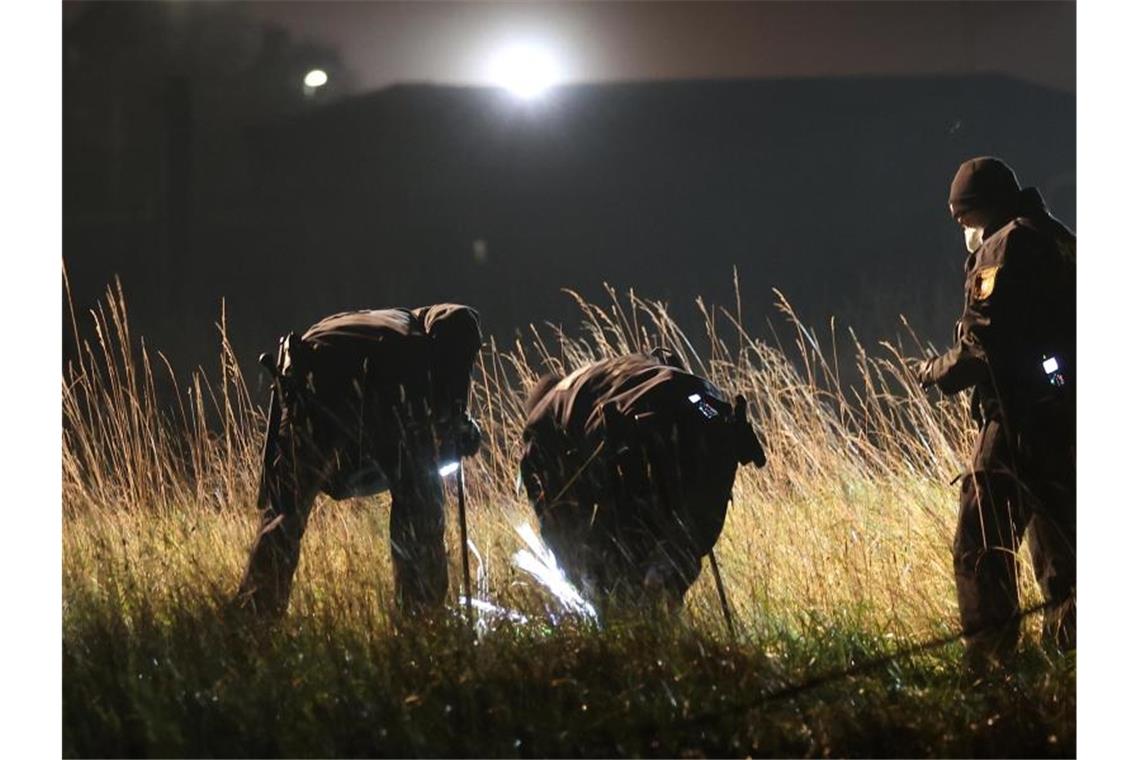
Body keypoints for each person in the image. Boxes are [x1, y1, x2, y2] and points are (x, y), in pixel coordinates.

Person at [910, 156, 1076, 666]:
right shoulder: (1060, 238)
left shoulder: (1003, 245)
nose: (963, 230)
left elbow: (983, 345)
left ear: (978, 210)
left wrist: (933, 371)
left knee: (980, 540)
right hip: (1068, 415)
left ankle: (992, 662)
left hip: (1018, 414)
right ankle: (1070, 658)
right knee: (1063, 546)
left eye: (963, 219)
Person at [235, 304, 483, 617]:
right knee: (420, 501)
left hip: (305, 378)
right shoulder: (420, 346)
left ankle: (251, 620)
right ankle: (423, 622)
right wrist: (455, 429)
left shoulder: (389, 323)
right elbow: (428, 450)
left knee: (285, 513)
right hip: (372, 381)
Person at [519, 349, 766, 610]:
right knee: (687, 537)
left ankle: (645, 627)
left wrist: (580, 581)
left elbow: (555, 522)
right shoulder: (604, 377)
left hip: (641, 426)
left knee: (629, 565)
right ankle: (666, 614)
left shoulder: (542, 420)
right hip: (709, 412)